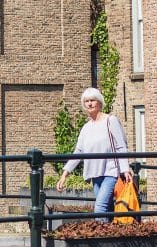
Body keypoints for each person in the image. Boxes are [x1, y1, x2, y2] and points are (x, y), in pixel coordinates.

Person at [56, 87, 131, 223]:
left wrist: (125, 169)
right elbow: (78, 151)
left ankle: (98, 237)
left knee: (100, 207)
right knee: (107, 207)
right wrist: (64, 174)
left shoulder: (110, 121)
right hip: (95, 174)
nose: (90, 103)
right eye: (87, 101)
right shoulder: (86, 127)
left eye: (93, 100)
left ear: (99, 103)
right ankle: (112, 237)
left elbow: (121, 145)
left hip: (111, 171)